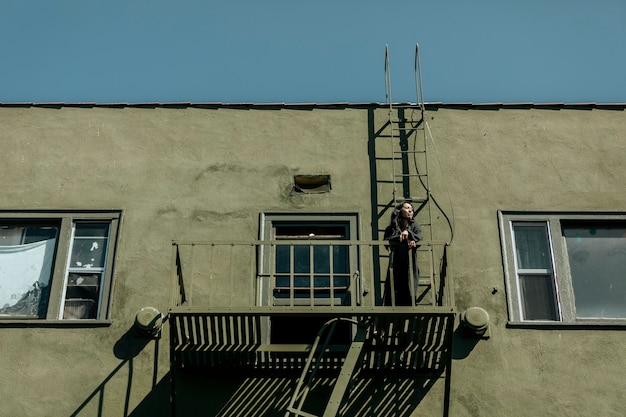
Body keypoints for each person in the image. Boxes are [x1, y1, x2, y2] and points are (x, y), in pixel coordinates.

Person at [383, 200, 423, 306]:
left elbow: (420, 237)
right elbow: (387, 241)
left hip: (410, 264)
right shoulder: (391, 228)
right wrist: (405, 239)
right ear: (399, 211)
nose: (410, 210)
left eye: (412, 209)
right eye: (407, 208)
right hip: (396, 263)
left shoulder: (415, 227)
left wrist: (409, 233)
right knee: (393, 288)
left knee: (409, 288)